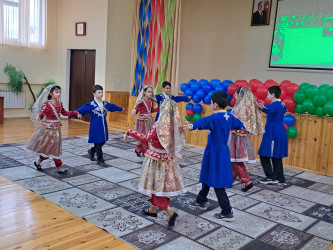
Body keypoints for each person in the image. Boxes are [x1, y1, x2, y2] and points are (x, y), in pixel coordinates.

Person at [123, 98, 186, 230]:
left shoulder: (158, 125)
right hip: (168, 161)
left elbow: (146, 138)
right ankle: (152, 209)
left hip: (156, 161)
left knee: (157, 186)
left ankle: (170, 212)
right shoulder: (175, 125)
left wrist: (130, 132)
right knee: (159, 185)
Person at [184, 91, 244, 221]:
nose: (211, 104)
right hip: (221, 151)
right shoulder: (229, 117)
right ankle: (201, 200)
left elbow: (203, 122)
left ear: (215, 105)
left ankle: (227, 211)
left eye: (211, 102)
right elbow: (240, 124)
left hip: (215, 152)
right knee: (207, 175)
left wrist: (192, 125)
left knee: (217, 182)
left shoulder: (214, 118)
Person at [26, 85, 80, 174]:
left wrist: (74, 112)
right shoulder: (47, 104)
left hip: (57, 130)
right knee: (51, 149)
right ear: (51, 94)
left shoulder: (60, 104)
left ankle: (38, 162)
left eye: (59, 92)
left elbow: (64, 113)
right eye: (56, 92)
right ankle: (59, 168)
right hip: (48, 130)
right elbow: (42, 114)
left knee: (52, 149)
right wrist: (39, 117)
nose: (59, 94)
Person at [76, 85, 124, 167]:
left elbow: (112, 106)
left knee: (103, 141)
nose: (101, 94)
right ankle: (100, 159)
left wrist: (121, 109)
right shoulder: (91, 104)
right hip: (95, 127)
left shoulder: (105, 104)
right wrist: (78, 113)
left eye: (102, 92)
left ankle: (91, 151)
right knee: (98, 143)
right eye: (99, 92)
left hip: (103, 126)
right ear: (94, 94)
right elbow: (82, 109)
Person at [228, 87, 265, 192]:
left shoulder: (241, 108)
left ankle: (247, 181)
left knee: (237, 160)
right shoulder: (249, 106)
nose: (234, 95)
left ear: (239, 95)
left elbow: (236, 123)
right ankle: (231, 180)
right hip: (240, 136)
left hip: (237, 137)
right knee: (233, 160)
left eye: (235, 93)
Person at [257, 86, 288, 185]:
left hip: (273, 133)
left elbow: (270, 110)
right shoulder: (281, 104)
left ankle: (271, 177)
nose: (267, 95)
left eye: (268, 94)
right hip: (278, 131)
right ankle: (279, 178)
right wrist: (262, 107)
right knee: (276, 156)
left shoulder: (276, 105)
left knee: (264, 155)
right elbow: (269, 110)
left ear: (273, 94)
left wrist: (262, 107)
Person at [131, 86, 159, 157]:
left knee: (146, 136)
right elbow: (137, 109)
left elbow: (151, 110)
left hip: (149, 120)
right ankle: (145, 152)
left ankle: (138, 149)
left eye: (151, 92)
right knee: (145, 136)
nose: (150, 93)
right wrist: (135, 110)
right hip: (142, 120)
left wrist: (159, 108)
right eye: (148, 92)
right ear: (144, 92)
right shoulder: (141, 101)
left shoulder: (151, 101)